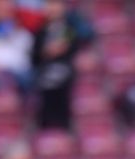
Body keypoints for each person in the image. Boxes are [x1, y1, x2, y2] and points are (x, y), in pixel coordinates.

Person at [32, 0, 94, 130]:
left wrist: (58, 48)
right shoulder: (40, 30)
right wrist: (45, 52)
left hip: (64, 73)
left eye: (56, 5)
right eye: (49, 5)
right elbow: (36, 54)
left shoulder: (69, 28)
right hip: (43, 74)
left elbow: (68, 46)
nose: (53, 9)